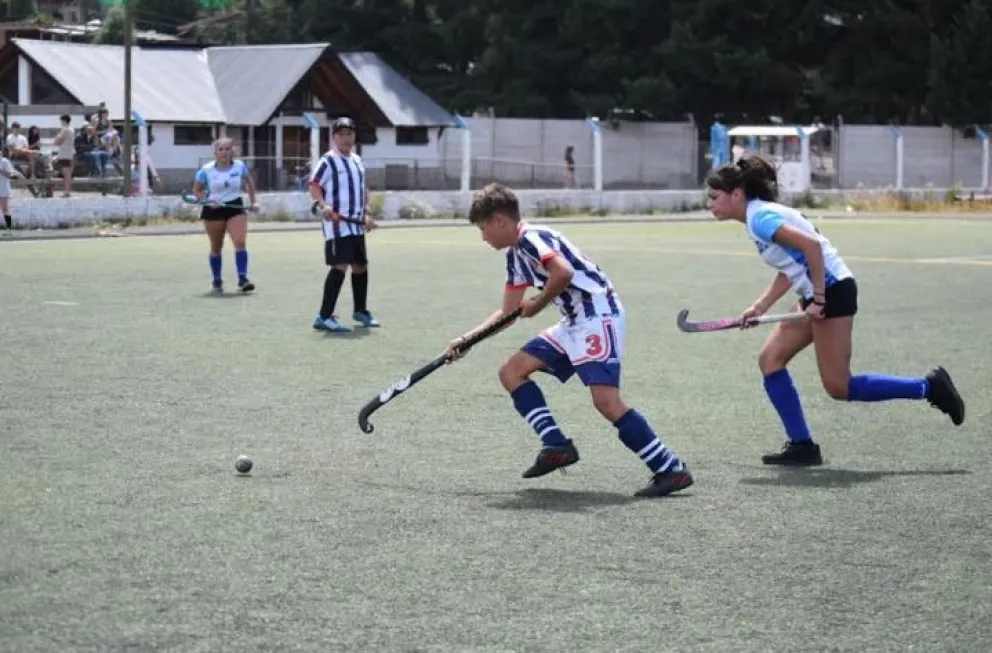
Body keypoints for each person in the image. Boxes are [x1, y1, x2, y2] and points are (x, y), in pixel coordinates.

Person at [705, 154, 965, 466]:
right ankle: (802, 445)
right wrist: (760, 306)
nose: (710, 204)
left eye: (714, 197)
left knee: (839, 386)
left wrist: (819, 298)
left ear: (736, 194)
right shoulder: (757, 217)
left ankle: (929, 387)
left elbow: (812, 247)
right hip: (815, 292)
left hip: (832, 292)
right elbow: (790, 265)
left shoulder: (760, 218)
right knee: (771, 360)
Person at [444, 183, 693, 498]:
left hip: (598, 315)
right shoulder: (515, 256)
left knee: (606, 402)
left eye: (483, 229)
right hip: (574, 321)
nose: (483, 237)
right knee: (512, 371)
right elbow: (508, 313)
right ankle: (556, 445)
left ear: (500, 221)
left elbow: (562, 273)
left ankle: (670, 469)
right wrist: (467, 340)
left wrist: (538, 303)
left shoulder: (532, 238)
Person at [308, 117, 379, 332]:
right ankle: (324, 316)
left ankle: (360, 311)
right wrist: (323, 205)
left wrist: (366, 215)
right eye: (341, 134)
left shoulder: (357, 160)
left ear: (354, 136)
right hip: (338, 224)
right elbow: (314, 185)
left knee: (360, 265)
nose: (345, 138)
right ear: (334, 137)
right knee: (340, 265)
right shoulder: (328, 160)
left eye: (349, 133)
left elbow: (362, 190)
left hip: (356, 224)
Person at [192, 137, 259, 294]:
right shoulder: (206, 170)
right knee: (216, 246)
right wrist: (208, 201)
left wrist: (254, 202)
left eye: (227, 149)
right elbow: (197, 191)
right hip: (213, 209)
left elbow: (249, 183)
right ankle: (217, 280)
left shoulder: (240, 166)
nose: (224, 152)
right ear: (215, 152)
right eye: (220, 149)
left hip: (235, 206)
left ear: (232, 151)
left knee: (240, 241)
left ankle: (243, 279)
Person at [0, 147, 24, 235]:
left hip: (3, 188)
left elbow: (9, 175)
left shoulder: (4, 161)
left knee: (5, 209)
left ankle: (9, 229)